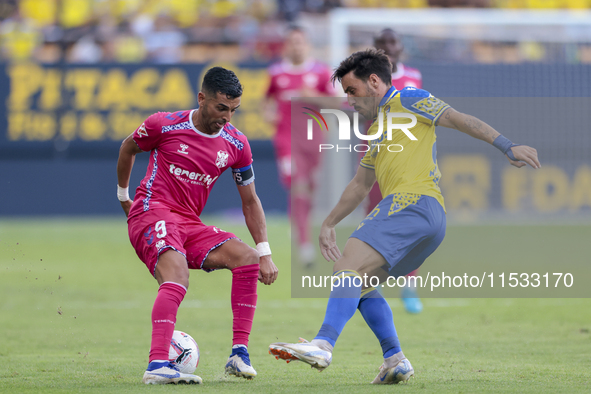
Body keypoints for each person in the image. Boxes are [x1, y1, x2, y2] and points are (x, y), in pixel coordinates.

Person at [269, 49, 540, 384]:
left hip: (411, 203)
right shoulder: (379, 127)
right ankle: (395, 359)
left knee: (346, 268)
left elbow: (458, 118)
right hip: (430, 220)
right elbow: (360, 184)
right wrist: (328, 223)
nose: (349, 100)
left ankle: (323, 344)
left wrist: (506, 144)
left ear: (374, 82)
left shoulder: (409, 99)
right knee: (361, 285)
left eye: (352, 91)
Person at [117, 67, 278, 385]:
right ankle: (158, 365)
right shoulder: (164, 124)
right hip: (151, 212)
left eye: (234, 110)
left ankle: (239, 354)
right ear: (202, 98)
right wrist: (124, 196)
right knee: (177, 274)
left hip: (189, 224)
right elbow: (127, 148)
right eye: (222, 108)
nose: (228, 117)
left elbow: (250, 201)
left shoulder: (236, 143)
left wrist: (265, 252)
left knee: (247, 258)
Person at [264, 25, 335, 267]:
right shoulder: (276, 73)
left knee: (310, 188)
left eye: (300, 42)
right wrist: (268, 115)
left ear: (308, 45)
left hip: (314, 139)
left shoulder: (321, 72)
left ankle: (299, 221)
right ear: (286, 45)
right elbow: (267, 100)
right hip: (286, 139)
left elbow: (336, 103)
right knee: (297, 184)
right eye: (292, 41)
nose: (297, 46)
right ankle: (305, 244)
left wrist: (311, 95)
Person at [373, 28, 424, 314]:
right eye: (382, 44)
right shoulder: (368, 78)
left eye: (392, 43)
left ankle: (410, 286)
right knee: (378, 223)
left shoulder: (414, 77)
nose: (388, 48)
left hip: (409, 163)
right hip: (378, 161)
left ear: (401, 47)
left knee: (412, 224)